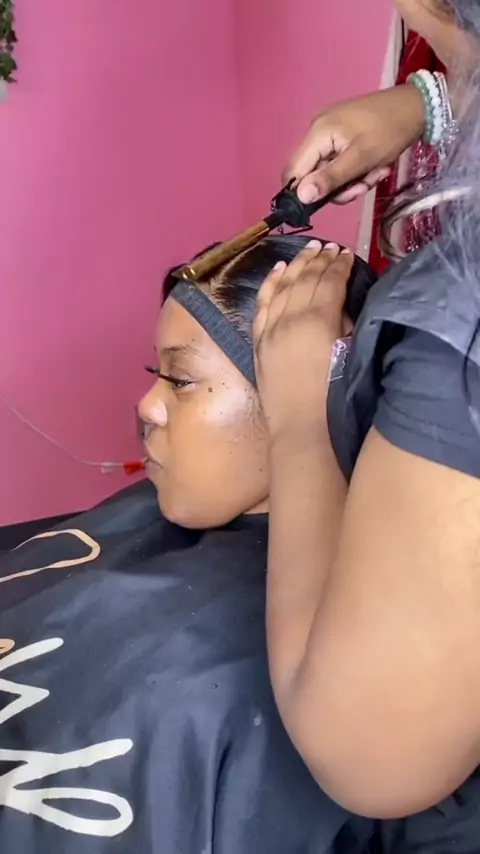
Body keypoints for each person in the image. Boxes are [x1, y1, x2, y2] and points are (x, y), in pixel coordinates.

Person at [0, 236, 377, 854]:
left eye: (179, 379)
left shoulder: (309, 676)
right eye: (157, 375)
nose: (147, 407)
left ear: (304, 396)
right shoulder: (147, 515)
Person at [252, 0, 480, 842]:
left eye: (182, 375)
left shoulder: (460, 331)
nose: (148, 409)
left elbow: (369, 756)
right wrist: (431, 104)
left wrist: (298, 419)